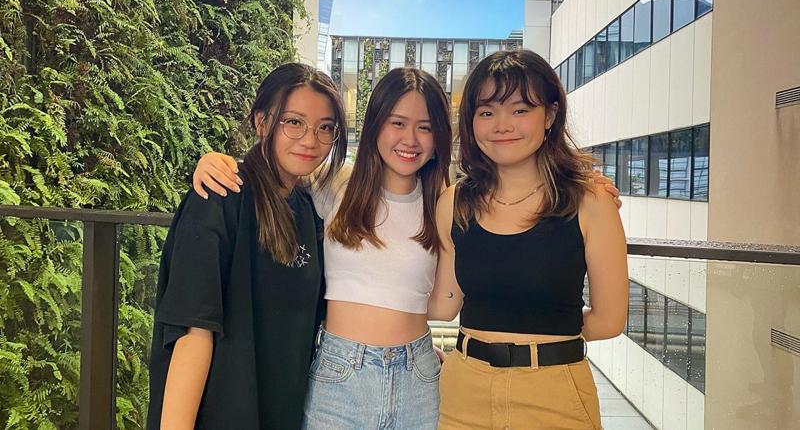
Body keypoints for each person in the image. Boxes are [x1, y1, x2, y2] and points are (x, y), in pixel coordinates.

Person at [192, 65, 622, 430]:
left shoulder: (450, 202)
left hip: (420, 373)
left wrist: (588, 188)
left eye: (425, 127)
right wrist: (218, 161)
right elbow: (276, 173)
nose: (410, 139)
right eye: (397, 122)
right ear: (375, 124)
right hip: (340, 373)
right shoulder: (332, 185)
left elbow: (446, 302)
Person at [427, 49, 629, 430]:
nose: (502, 125)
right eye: (487, 112)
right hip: (464, 390)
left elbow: (610, 320)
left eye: (520, 110)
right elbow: (445, 302)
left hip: (554, 392)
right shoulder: (454, 202)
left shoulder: (591, 201)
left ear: (550, 115)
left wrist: (540, 331)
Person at [147, 63, 347, 430]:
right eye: (294, 122)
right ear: (261, 122)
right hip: (219, 415)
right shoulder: (220, 196)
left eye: (325, 127)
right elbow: (193, 332)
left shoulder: (310, 209)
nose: (310, 140)